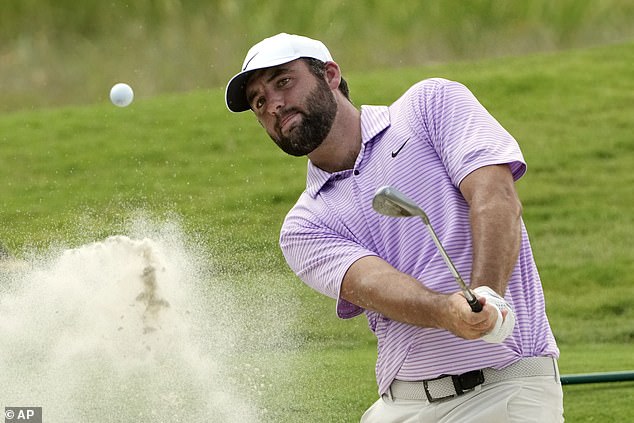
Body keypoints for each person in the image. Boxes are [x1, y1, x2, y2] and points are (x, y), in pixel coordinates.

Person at [225, 33, 564, 422]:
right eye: (259, 102)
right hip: (400, 405)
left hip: (503, 391)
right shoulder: (304, 225)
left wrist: (487, 297)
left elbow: (495, 197)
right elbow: (376, 286)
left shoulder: (429, 106)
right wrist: (447, 311)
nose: (274, 105)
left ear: (331, 75)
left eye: (283, 82)